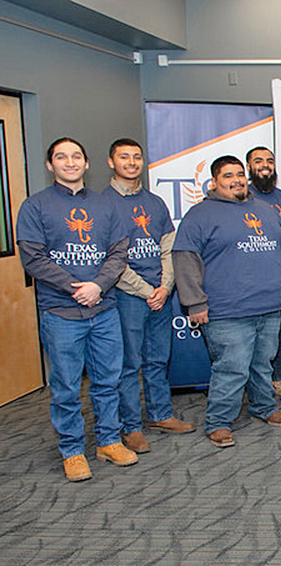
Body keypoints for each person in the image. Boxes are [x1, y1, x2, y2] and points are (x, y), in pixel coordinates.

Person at [17, 137, 137, 481]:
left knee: (107, 381)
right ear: (49, 165)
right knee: (67, 386)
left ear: (86, 164)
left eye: (75, 156)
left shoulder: (105, 205)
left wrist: (98, 285)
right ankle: (72, 450)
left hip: (104, 309)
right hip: (61, 312)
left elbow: (119, 251)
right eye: (60, 157)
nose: (69, 162)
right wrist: (76, 288)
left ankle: (109, 442)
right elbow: (33, 257)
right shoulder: (35, 206)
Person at [173, 155, 281, 448]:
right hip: (226, 311)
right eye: (228, 175)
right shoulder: (200, 215)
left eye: (240, 174)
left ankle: (264, 408)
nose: (237, 180)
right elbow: (185, 258)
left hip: (269, 307)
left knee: (262, 364)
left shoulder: (267, 211)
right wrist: (194, 303)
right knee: (231, 369)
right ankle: (218, 422)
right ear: (214, 182)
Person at [105, 138, 195, 454]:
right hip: (127, 295)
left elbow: (168, 246)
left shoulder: (155, 202)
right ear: (110, 162)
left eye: (137, 157)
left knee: (158, 359)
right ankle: (130, 427)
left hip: (160, 293)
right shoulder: (103, 204)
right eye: (124, 157)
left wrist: (165, 286)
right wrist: (146, 291)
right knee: (129, 364)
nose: (131, 162)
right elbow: (108, 260)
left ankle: (160, 415)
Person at [246, 146, 281, 404]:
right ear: (249, 167)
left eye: (269, 160)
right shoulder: (240, 197)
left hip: (280, 280)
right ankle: (247, 387)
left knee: (277, 336)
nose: (265, 165)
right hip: (248, 283)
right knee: (245, 339)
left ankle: (277, 382)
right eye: (258, 161)